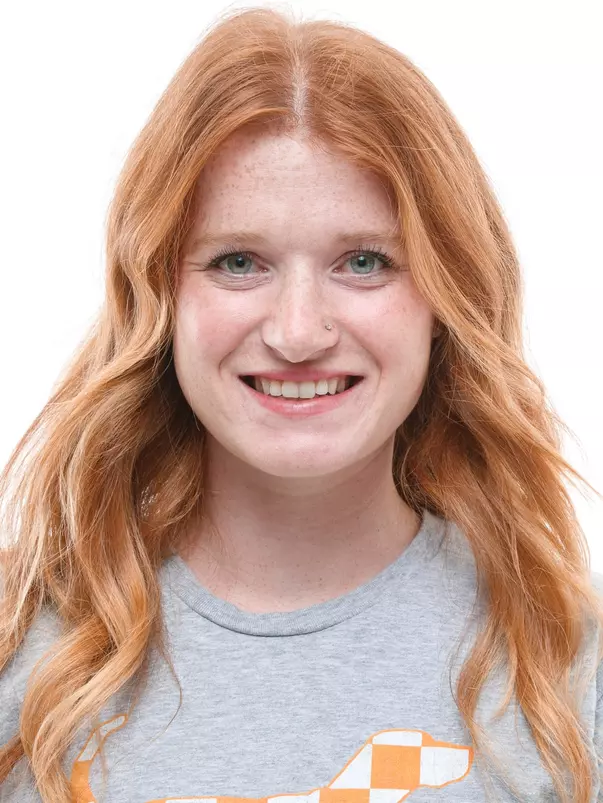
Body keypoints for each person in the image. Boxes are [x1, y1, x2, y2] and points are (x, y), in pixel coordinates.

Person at [1, 6, 602, 803]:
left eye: (363, 261)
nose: (296, 332)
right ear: (156, 296)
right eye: (238, 261)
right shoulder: (21, 649)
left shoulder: (567, 669)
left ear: (447, 298)